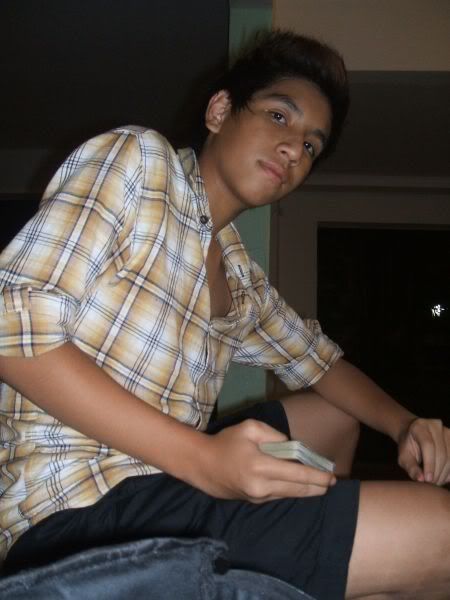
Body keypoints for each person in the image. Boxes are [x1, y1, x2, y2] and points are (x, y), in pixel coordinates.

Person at [0, 29, 449, 599]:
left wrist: (405, 424)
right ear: (219, 111)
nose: (294, 150)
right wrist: (204, 459)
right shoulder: (140, 161)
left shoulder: (238, 273)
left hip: (166, 481)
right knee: (440, 532)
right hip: (72, 511)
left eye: (311, 146)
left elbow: (322, 364)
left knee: (334, 419)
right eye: (279, 117)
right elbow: (10, 325)